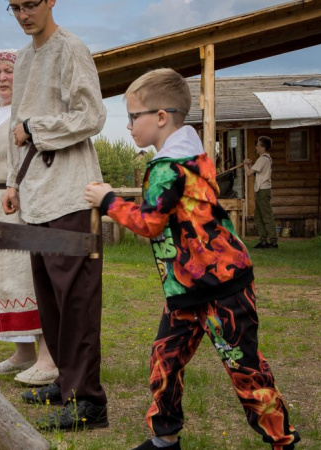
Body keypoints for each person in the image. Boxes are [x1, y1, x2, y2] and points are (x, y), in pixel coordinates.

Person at [84, 68, 299, 450]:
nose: (130, 125)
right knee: (164, 361)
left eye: (134, 116)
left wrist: (108, 201)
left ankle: (282, 441)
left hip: (222, 289)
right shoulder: (188, 155)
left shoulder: (170, 167)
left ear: (161, 117)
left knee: (245, 369)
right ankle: (165, 438)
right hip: (186, 290)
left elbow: (149, 222)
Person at [1, 0, 108, 431]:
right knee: (50, 299)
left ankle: (89, 403)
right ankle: (66, 383)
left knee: (77, 301)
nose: (23, 14)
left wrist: (36, 129)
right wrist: (12, 180)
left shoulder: (71, 49)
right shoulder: (24, 58)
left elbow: (92, 115)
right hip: (36, 194)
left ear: (50, 1)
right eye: (13, 7)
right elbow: (15, 126)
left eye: (30, 4)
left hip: (71, 193)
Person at [0, 49, 58, 386]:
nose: (3, 77)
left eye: (10, 71)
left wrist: (18, 190)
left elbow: (38, 156)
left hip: (15, 202)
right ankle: (23, 354)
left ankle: (48, 359)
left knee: (25, 276)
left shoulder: (29, 112)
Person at [244, 136, 277, 248]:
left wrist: (245, 164)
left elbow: (248, 173)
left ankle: (272, 241)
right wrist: (249, 165)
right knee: (258, 217)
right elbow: (254, 171)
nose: (256, 147)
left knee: (266, 216)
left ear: (263, 147)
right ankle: (263, 240)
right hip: (261, 190)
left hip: (263, 190)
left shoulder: (262, 159)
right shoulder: (266, 158)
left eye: (258, 145)